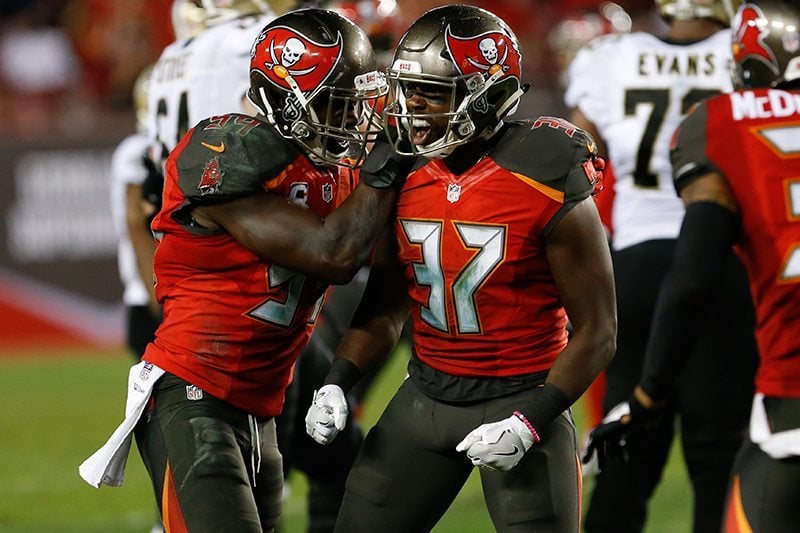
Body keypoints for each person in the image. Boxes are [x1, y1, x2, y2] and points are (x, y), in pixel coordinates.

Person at [79, 8, 412, 532]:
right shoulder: (225, 149)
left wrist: (340, 378)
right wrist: (390, 157)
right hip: (195, 397)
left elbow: (390, 289)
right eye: (340, 104)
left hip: (263, 409)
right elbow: (334, 254)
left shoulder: (337, 171)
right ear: (291, 98)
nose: (355, 120)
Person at [304, 5, 616, 532]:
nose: (412, 108)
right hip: (425, 397)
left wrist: (528, 423)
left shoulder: (543, 169)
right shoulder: (401, 167)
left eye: (432, 92)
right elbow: (386, 302)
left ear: (488, 96)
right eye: (408, 90)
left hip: (522, 396)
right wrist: (339, 380)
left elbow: (599, 330)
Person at [583, 1, 800, 530]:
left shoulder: (611, 54)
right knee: (718, 453)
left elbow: (577, 152)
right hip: (731, 267)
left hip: (638, 257)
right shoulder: (759, 47)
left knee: (628, 439)